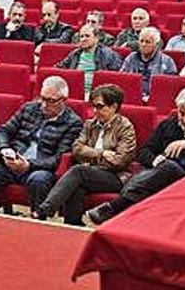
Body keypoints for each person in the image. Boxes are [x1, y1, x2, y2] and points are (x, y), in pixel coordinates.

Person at [84, 86, 185, 225]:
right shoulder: (168, 125)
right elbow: (144, 152)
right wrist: (154, 160)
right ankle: (119, 220)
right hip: (157, 177)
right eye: (182, 113)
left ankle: (114, 207)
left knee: (168, 167)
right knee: (159, 169)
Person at [0, 76, 82, 214]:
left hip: (39, 168)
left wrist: (29, 165)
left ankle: (38, 222)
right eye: (42, 98)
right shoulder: (29, 108)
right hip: (13, 162)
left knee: (38, 181)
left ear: (64, 100)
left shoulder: (73, 123)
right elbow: (3, 131)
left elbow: (58, 158)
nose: (44, 105)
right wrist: (4, 149)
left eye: (50, 101)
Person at [33, 84, 137, 226]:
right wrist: (102, 154)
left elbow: (121, 160)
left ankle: (45, 209)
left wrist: (90, 156)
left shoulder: (125, 127)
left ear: (113, 107)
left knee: (78, 172)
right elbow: (76, 148)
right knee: (77, 186)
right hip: (90, 173)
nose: (95, 111)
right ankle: (73, 225)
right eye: (94, 106)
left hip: (115, 177)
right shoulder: (90, 124)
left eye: (100, 107)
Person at [57, 24, 124, 96]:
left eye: (87, 36)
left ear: (96, 38)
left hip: (98, 93)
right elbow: (60, 67)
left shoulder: (108, 54)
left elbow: (117, 77)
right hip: (75, 90)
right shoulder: (75, 53)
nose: (83, 39)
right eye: (81, 36)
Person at [119, 27, 177, 98]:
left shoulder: (167, 61)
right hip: (132, 96)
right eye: (141, 41)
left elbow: (170, 87)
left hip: (156, 98)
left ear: (156, 44)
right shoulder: (130, 58)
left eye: (148, 42)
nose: (143, 45)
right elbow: (122, 80)